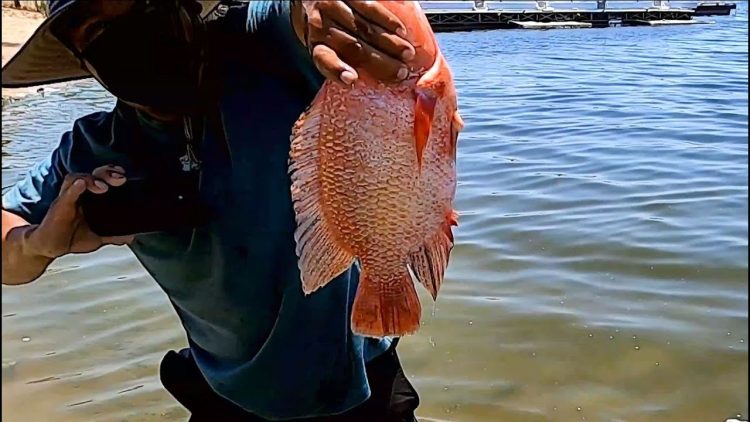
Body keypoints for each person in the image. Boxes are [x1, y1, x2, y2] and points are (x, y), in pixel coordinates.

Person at [1, 1, 422, 421]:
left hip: (363, 383)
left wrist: (327, 13)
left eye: (145, 6)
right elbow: (7, 243)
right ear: (85, 63)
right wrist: (36, 243)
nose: (133, 38)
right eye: (97, 33)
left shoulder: (262, 46)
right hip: (224, 396)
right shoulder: (94, 149)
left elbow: (306, 17)